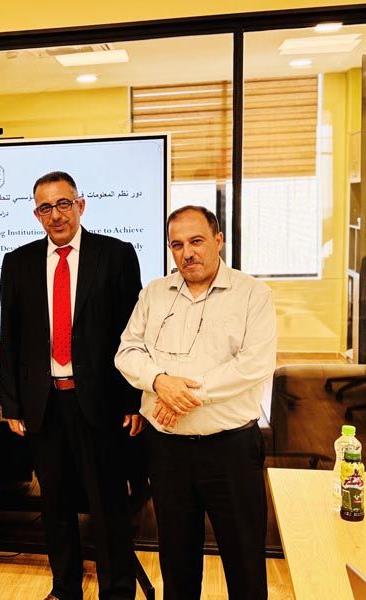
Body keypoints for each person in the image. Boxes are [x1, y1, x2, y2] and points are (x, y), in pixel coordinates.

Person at [115, 205, 277, 600]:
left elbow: (253, 364)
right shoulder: (154, 293)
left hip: (231, 451)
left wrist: (182, 394)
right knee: (177, 564)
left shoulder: (253, 294)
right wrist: (159, 381)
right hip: (167, 452)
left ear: (218, 240)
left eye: (197, 241)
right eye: (177, 245)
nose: (187, 253)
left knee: (244, 562)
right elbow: (127, 352)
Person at [0, 171, 144, 600]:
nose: (56, 215)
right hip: (44, 405)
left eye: (63, 204)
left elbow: (133, 334)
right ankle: (65, 588)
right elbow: (12, 338)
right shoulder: (18, 262)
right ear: (36, 215)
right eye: (45, 207)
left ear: (81, 205)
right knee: (55, 505)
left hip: (99, 402)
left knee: (108, 505)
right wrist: (13, 404)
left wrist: (133, 399)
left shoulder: (115, 255)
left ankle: (117, 591)